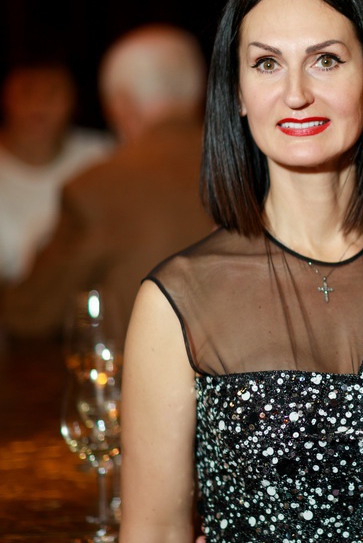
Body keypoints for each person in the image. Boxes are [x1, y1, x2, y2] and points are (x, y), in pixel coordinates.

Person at [119, 0, 363, 543]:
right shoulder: (178, 300)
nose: (297, 94)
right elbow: (158, 536)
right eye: (267, 63)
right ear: (238, 93)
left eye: (326, 60)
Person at [0, 25, 212, 339]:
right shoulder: (256, 164)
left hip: (145, 365)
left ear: (122, 103)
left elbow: (31, 312)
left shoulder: (97, 186)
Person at [0, 60, 112, 286]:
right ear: (6, 95)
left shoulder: (104, 157)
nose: (38, 104)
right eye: (27, 90)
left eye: (52, 92)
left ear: (73, 98)